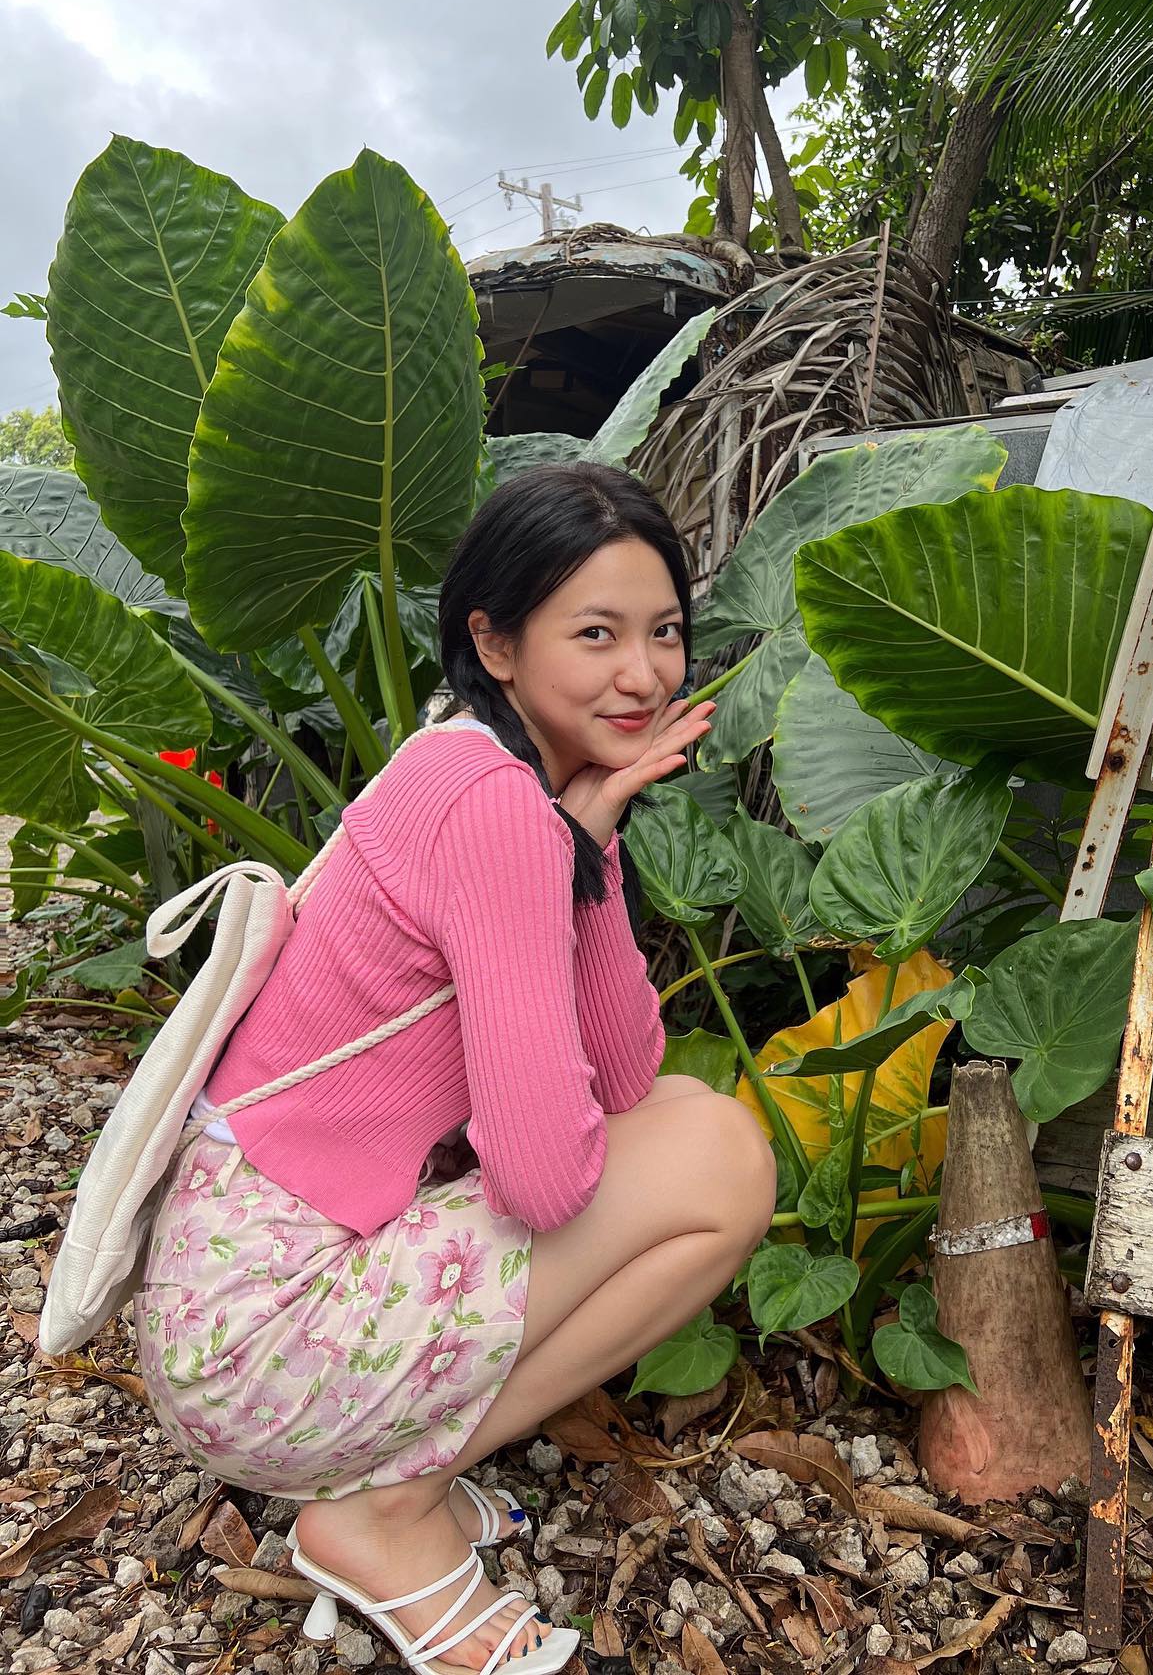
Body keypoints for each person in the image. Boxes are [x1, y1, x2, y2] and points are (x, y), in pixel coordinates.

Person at [133, 463, 778, 1672]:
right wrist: (556, 852)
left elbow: (632, 1078)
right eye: (596, 634)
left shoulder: (465, 765)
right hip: (263, 1349)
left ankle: (392, 1472)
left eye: (664, 633)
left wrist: (585, 851)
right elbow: (543, 1176)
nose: (643, 675)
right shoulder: (491, 811)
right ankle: (379, 1512)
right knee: (723, 1158)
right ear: (494, 638)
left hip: (229, 1310)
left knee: (687, 1114)